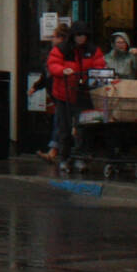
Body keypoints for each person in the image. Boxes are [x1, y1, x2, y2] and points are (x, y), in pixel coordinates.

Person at [44, 25, 102, 173]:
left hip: (84, 95)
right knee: (64, 129)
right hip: (65, 94)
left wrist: (93, 75)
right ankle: (64, 158)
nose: (81, 38)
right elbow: (53, 65)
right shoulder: (62, 49)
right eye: (78, 35)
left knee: (83, 129)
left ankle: (79, 158)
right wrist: (63, 71)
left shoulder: (93, 50)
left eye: (84, 35)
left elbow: (99, 65)